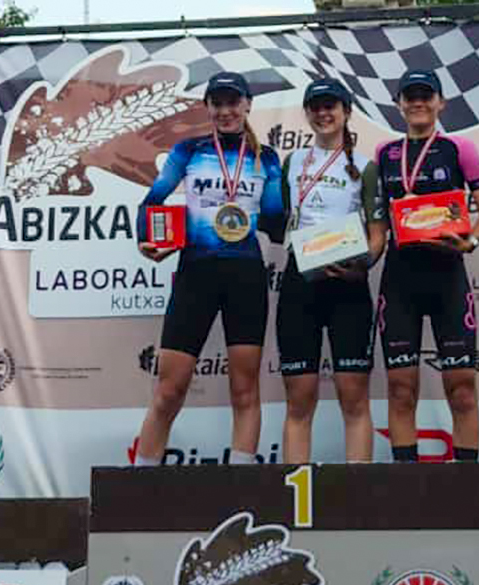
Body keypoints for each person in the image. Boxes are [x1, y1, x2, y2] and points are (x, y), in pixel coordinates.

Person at [134, 72, 284, 466]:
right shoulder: (188, 150)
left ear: (248, 104)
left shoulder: (266, 158)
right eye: (218, 103)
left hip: (246, 276)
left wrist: (320, 232)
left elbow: (274, 221)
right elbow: (152, 202)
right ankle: (138, 484)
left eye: (233, 102)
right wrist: (148, 240)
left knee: (244, 389)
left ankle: (240, 483)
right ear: (208, 108)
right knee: (169, 390)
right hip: (196, 274)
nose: (226, 110)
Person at [374, 70, 479, 463]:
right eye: (409, 96)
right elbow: (377, 221)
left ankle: (466, 482)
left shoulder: (459, 148)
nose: (418, 103)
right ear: (398, 105)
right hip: (400, 280)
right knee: (400, 389)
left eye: (425, 96)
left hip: (448, 278)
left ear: (440, 103)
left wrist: (472, 241)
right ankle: (407, 483)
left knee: (462, 388)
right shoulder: (384, 153)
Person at [276, 78, 387, 464]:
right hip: (300, 284)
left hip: (348, 287)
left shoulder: (366, 167)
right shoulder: (291, 163)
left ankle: (359, 491)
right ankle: (295, 492)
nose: (323, 113)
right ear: (307, 113)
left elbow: (377, 233)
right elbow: (284, 219)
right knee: (299, 400)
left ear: (346, 112)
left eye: (331, 106)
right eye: (316, 107)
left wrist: (364, 264)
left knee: (353, 398)